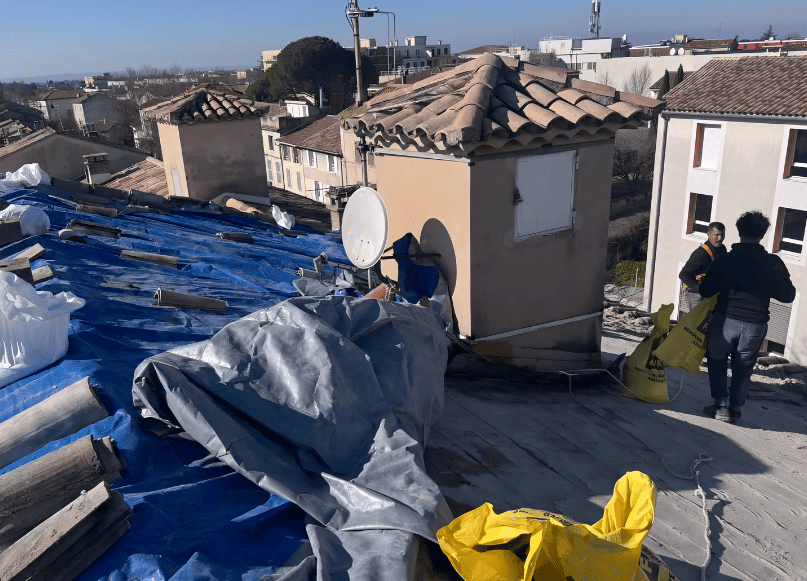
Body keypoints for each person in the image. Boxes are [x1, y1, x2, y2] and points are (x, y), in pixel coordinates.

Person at [699, 211, 796, 423]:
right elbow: (788, 296)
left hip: (725, 320)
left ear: (739, 232)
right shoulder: (774, 263)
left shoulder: (725, 260)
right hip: (755, 324)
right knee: (743, 368)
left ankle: (720, 408)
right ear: (762, 234)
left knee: (717, 361)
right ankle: (735, 410)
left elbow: (705, 291)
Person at [678, 222, 727, 315]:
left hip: (711, 293)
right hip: (696, 295)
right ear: (708, 234)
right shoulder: (700, 253)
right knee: (695, 321)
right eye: (716, 235)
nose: (720, 238)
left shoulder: (722, 249)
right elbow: (683, 275)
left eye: (722, 235)